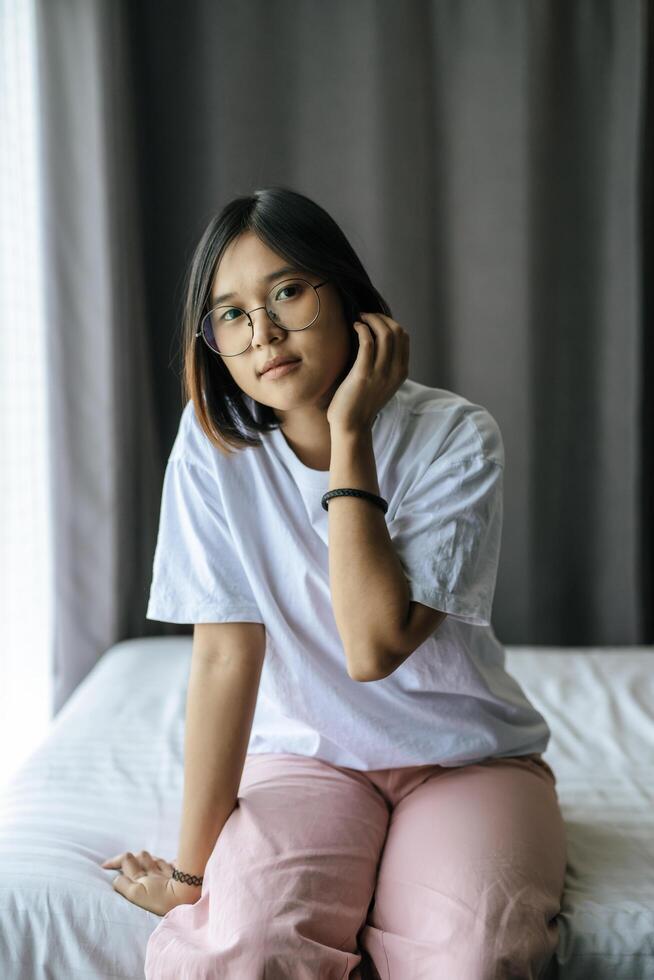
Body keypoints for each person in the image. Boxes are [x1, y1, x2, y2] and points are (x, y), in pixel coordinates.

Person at [100, 185, 567, 979]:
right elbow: (222, 661)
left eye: (286, 291)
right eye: (232, 314)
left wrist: (350, 433)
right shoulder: (213, 448)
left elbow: (372, 644)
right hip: (306, 761)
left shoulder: (454, 437)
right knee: (245, 946)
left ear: (344, 290)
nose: (264, 334)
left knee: (475, 957)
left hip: (462, 758)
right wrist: (189, 879)